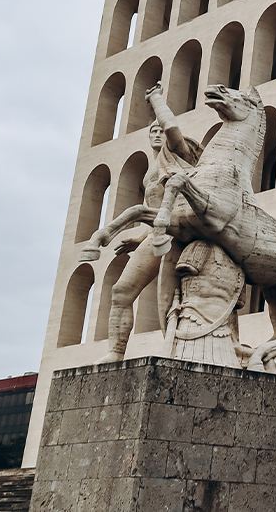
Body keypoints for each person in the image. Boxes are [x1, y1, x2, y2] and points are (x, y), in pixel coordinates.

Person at [97, 83, 203, 362]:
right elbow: (152, 212)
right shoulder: (150, 173)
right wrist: (139, 238)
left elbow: (170, 128)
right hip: (156, 235)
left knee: (169, 304)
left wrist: (155, 99)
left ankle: (176, 351)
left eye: (160, 131)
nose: (158, 134)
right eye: (152, 131)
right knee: (121, 291)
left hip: (180, 235)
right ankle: (115, 351)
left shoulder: (177, 156)